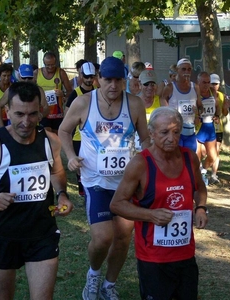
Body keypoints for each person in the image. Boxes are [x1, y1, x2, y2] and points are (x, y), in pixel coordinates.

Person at [58, 56, 150, 300]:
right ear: (98, 79)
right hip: (95, 180)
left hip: (126, 183)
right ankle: (94, 274)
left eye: (118, 80)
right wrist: (71, 156)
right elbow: (64, 130)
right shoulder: (83, 103)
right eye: (107, 79)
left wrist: (147, 160)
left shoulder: (135, 104)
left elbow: (146, 139)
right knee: (102, 239)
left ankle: (109, 284)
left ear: (124, 81)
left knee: (122, 239)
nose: (113, 85)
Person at [0, 81, 73, 299]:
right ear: (7, 111)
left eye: (32, 114)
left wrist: (62, 194)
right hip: (4, 234)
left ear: (40, 112)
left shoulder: (50, 141)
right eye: (19, 114)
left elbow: (56, 172)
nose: (26, 122)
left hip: (42, 234)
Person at [110, 106, 208, 300]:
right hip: (153, 257)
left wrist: (201, 208)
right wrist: (150, 215)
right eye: (164, 132)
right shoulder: (140, 164)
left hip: (185, 253)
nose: (171, 138)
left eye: (176, 132)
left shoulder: (190, 158)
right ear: (151, 133)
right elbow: (117, 204)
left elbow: (199, 188)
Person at [64, 62, 97, 197]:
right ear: (81, 75)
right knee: (80, 166)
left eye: (91, 77)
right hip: (78, 137)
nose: (89, 80)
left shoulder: (97, 92)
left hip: (95, 136)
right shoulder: (75, 94)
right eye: (86, 76)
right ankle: (82, 192)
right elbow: (66, 115)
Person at [161, 58, 202, 152]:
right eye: (183, 69)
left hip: (190, 131)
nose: (186, 72)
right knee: (175, 159)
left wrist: (197, 114)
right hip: (175, 131)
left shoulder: (195, 87)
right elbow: (163, 108)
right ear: (177, 70)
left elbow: (200, 107)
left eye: (189, 69)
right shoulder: (170, 87)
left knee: (189, 158)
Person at [34, 51, 73, 134]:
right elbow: (31, 91)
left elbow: (70, 91)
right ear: (43, 63)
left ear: (56, 62)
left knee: (57, 137)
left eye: (52, 64)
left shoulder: (61, 73)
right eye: (47, 65)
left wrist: (63, 95)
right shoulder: (37, 73)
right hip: (43, 111)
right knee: (46, 134)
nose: (50, 67)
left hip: (57, 112)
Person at [195, 71, 220, 183]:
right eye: (204, 82)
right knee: (197, 157)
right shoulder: (195, 92)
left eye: (208, 82)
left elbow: (217, 106)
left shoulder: (212, 91)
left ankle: (203, 171)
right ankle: (196, 179)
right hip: (198, 128)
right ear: (198, 82)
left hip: (209, 127)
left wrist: (217, 116)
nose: (206, 85)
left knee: (213, 157)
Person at [205, 73, 229, 185]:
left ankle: (214, 174)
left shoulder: (222, 96)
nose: (213, 86)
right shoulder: (204, 94)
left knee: (216, 151)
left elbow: (225, 113)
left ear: (219, 85)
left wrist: (225, 107)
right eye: (212, 83)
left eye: (216, 84)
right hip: (205, 126)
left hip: (218, 128)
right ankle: (202, 171)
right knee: (204, 151)